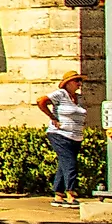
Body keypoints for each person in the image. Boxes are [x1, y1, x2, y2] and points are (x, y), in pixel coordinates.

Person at [36, 69, 89, 208]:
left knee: (64, 164)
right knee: (70, 163)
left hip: (75, 136)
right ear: (67, 83)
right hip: (60, 134)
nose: (79, 83)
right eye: (76, 81)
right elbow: (41, 101)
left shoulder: (79, 98)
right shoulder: (60, 94)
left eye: (80, 81)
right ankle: (71, 193)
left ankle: (58, 195)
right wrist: (52, 117)